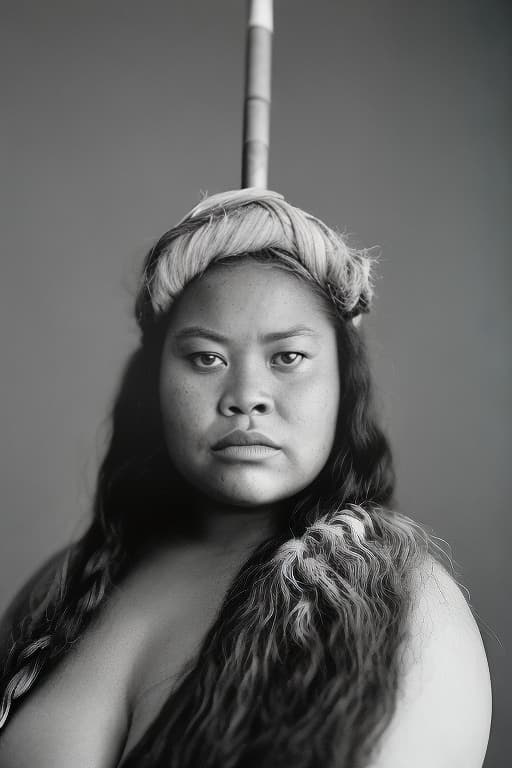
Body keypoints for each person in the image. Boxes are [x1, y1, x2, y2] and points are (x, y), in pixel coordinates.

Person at [0, 189, 491, 767]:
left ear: (344, 383)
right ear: (154, 384)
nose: (246, 398)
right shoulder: (65, 588)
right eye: (207, 358)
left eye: (287, 357)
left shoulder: (401, 603)